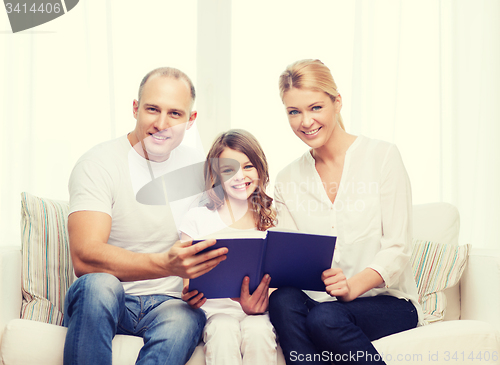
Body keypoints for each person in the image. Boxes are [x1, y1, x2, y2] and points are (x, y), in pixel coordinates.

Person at [63, 67, 228, 365]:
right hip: (110, 298)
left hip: (170, 304)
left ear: (190, 120)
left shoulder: (201, 168)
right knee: (98, 285)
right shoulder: (98, 163)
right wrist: (165, 264)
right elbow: (85, 257)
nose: (161, 124)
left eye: (175, 114)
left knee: (184, 320)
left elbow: (218, 240)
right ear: (136, 108)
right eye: (152, 109)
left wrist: (202, 285)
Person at [268, 59, 424, 365]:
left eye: (315, 108)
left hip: (388, 303)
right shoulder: (288, 179)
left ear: (336, 102)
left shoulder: (382, 157)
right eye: (294, 112)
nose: (306, 122)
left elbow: (398, 248)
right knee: (283, 300)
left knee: (324, 319)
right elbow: (291, 260)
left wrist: (353, 286)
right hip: (322, 302)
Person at [179, 129, 278, 365]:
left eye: (248, 166)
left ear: (260, 169)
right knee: (222, 330)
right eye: (228, 170)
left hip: (258, 313)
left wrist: (260, 301)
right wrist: (189, 295)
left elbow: (282, 282)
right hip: (215, 313)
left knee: (259, 331)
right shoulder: (197, 219)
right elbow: (187, 281)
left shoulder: (273, 220)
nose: (239, 176)